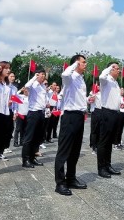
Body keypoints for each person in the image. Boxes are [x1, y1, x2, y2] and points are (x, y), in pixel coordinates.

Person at [54, 54, 88, 196]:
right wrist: (74, 64)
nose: (85, 64)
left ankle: (71, 178)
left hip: (80, 116)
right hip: (69, 117)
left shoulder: (81, 79)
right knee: (64, 151)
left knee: (75, 151)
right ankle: (60, 183)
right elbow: (65, 73)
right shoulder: (70, 78)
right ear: (76, 64)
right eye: (83, 62)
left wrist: (87, 100)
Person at [97, 62, 123, 178]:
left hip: (115, 113)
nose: (118, 70)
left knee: (110, 142)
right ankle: (101, 168)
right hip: (107, 112)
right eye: (116, 68)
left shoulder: (115, 82)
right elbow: (101, 77)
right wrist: (108, 68)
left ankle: (108, 165)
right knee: (104, 142)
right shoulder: (106, 79)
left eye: (118, 69)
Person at [21, 69, 47, 168]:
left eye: (44, 75)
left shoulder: (43, 86)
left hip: (41, 112)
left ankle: (32, 158)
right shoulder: (33, 84)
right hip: (33, 112)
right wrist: (34, 77)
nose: (43, 76)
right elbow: (26, 86)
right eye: (41, 74)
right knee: (29, 137)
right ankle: (25, 159)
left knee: (37, 137)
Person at [88, 83, 101, 155]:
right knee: (94, 131)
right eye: (97, 85)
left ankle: (98, 145)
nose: (99, 87)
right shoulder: (92, 92)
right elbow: (88, 100)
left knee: (99, 130)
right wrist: (91, 98)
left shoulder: (102, 93)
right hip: (95, 111)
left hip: (101, 111)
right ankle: (93, 146)